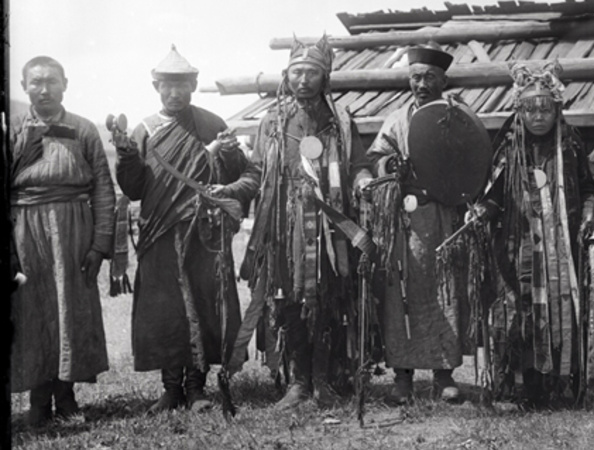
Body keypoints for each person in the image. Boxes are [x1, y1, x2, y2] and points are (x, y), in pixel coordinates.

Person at [115, 45, 259, 414]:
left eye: (182, 85)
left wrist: (227, 154)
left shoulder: (213, 124)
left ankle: (197, 389)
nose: (174, 92)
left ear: (194, 84)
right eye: (167, 85)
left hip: (204, 232)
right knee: (166, 311)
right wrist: (127, 155)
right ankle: (170, 389)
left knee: (206, 305)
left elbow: (238, 177)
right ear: (155, 86)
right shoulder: (145, 129)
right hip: (160, 232)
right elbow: (134, 188)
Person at [241, 35, 373, 410]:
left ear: (325, 76)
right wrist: (236, 191)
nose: (303, 80)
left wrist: (363, 181)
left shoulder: (340, 122)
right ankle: (298, 383)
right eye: (297, 72)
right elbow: (256, 172)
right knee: (288, 297)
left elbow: (359, 164)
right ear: (286, 75)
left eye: (311, 72)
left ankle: (324, 381)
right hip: (284, 227)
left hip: (331, 226)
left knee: (328, 297)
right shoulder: (272, 123)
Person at [476, 61, 594, 408]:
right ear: (520, 111)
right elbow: (494, 195)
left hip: (561, 243)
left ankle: (558, 383)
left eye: (546, 108)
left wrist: (590, 211)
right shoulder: (509, 147)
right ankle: (518, 386)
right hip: (519, 244)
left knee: (560, 308)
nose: (538, 116)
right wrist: (484, 211)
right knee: (519, 308)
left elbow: (589, 188)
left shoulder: (570, 145)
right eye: (530, 109)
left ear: (557, 109)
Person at [9, 56, 115, 425]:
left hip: (73, 231)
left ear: (65, 84)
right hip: (26, 232)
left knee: (70, 311)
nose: (44, 89)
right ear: (23, 87)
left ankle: (66, 398)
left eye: (51, 81)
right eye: (35, 82)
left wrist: (100, 245)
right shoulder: (15, 131)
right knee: (33, 312)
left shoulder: (83, 129)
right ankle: (39, 403)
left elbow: (103, 188)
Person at [366, 43, 469, 404]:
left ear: (443, 80)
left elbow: (472, 160)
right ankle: (402, 377)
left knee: (445, 293)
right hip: (404, 221)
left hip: (443, 216)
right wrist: (391, 167)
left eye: (428, 77)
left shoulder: (457, 115)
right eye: (415, 78)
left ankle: (444, 376)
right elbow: (376, 156)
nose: (421, 84)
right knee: (401, 296)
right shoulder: (396, 118)